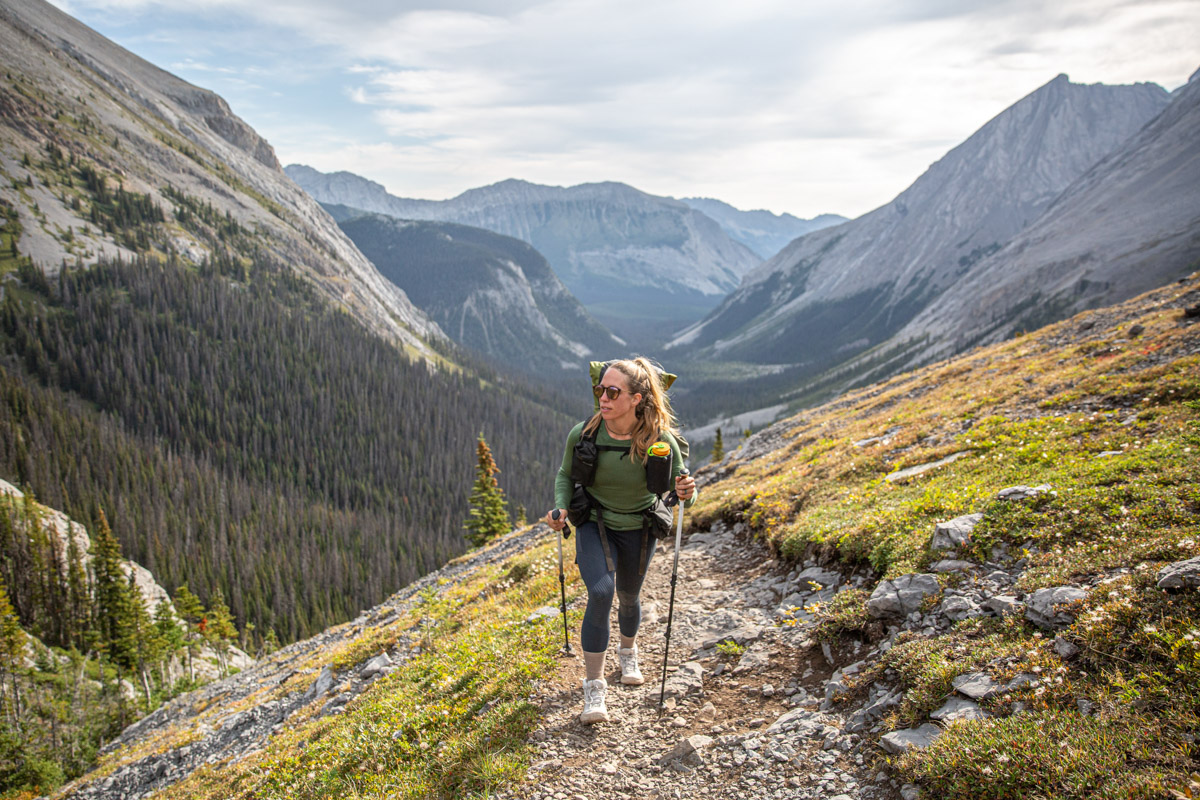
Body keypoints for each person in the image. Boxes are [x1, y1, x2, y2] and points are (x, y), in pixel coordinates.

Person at [545, 357, 696, 724]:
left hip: (639, 527)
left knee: (629, 595)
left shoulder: (661, 442)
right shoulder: (583, 434)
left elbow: (684, 493)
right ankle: (594, 687)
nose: (603, 398)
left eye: (613, 392)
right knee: (601, 592)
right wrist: (561, 508)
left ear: (637, 399)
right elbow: (566, 474)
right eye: (600, 389)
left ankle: (627, 651)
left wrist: (688, 492)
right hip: (594, 522)